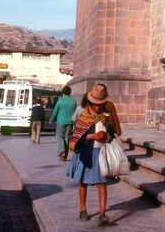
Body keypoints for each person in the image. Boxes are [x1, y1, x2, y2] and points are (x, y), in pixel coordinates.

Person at [67, 84, 122, 226]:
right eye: (95, 105)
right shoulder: (84, 116)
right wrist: (91, 137)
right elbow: (76, 138)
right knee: (83, 182)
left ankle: (102, 214)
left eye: (100, 105)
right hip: (86, 153)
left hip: (100, 154)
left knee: (102, 183)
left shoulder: (106, 116)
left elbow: (111, 135)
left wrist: (105, 135)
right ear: (91, 103)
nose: (97, 108)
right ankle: (83, 209)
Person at [49, 85, 77, 161]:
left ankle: (62, 151)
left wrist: (51, 119)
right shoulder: (73, 101)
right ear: (70, 92)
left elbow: (55, 111)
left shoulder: (60, 101)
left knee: (60, 136)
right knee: (67, 137)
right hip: (70, 121)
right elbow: (75, 113)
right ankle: (65, 156)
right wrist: (75, 123)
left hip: (60, 122)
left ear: (63, 92)